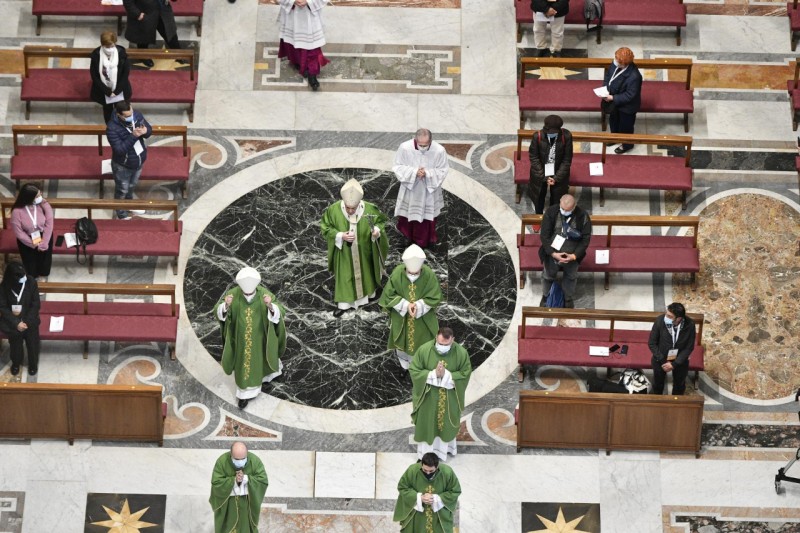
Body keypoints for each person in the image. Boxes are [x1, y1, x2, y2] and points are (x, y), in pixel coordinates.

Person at [215, 267, 287, 409]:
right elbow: (217, 310)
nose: (247, 295)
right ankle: (244, 394)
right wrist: (225, 306)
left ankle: (268, 376)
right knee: (246, 365)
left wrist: (270, 306)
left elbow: (281, 311)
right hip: (241, 338)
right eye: (245, 292)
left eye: (250, 292)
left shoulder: (264, 294)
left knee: (264, 356)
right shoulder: (233, 294)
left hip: (262, 336)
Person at [320, 178, 389, 317]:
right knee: (345, 276)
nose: (350, 211)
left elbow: (381, 222)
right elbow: (325, 228)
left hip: (364, 251)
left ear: (359, 203)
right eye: (348, 208)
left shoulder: (369, 208)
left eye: (353, 208)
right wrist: (340, 235)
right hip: (344, 253)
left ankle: (367, 296)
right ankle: (344, 304)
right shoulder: (333, 210)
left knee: (366, 273)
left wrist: (376, 231)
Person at [409, 328, 472, 461]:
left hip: (449, 398)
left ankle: (444, 451)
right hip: (428, 398)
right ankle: (425, 454)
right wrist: (433, 374)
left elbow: (465, 373)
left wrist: (446, 375)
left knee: (446, 425)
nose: (442, 347)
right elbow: (414, 370)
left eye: (446, 344)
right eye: (440, 343)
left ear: (452, 340)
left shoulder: (461, 353)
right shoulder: (424, 350)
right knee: (428, 425)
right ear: (436, 338)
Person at [379, 245, 442, 370]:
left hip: (422, 318)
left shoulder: (429, 274)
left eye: (416, 272)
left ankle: (418, 366)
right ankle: (404, 366)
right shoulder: (397, 272)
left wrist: (418, 306)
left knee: (421, 343)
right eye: (410, 271)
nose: (413, 274)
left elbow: (435, 295)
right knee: (402, 344)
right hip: (401, 317)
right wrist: (406, 305)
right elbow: (388, 295)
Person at [392, 129, 449, 249]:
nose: (422, 148)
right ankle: (406, 236)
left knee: (426, 219)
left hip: (429, 190)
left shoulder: (439, 150)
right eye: (420, 145)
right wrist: (414, 172)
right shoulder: (405, 148)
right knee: (408, 216)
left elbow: (443, 170)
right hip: (411, 189)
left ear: (431, 141)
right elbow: (398, 166)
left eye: (425, 145)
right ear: (415, 140)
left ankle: (423, 241)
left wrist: (427, 173)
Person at [538, 194, 591, 308]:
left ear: (574, 206)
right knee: (548, 275)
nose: (564, 212)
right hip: (553, 252)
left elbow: (585, 239)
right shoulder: (551, 212)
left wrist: (574, 256)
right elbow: (544, 236)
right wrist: (553, 253)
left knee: (571, 277)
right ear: (560, 202)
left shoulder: (583, 216)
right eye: (562, 209)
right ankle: (546, 295)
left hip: (572, 254)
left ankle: (568, 298)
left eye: (568, 210)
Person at [106, 100, 152, 220]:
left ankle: (129, 205)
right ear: (119, 115)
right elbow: (119, 150)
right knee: (122, 190)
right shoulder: (112, 128)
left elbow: (148, 129)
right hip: (123, 166)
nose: (131, 116)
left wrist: (146, 131)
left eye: (131, 112)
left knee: (131, 186)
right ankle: (121, 213)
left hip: (138, 161)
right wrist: (133, 136)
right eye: (127, 116)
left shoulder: (136, 115)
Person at [209, 441, 269, 533]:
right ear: (231, 454)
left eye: (243, 458)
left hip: (247, 505)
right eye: (236, 459)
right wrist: (234, 480)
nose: (240, 462)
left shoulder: (255, 461)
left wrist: (246, 479)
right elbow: (216, 483)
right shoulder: (222, 461)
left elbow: (262, 481)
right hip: (229, 506)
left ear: (247, 453)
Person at [393, 453, 461, 533]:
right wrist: (419, 497)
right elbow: (403, 487)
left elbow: (455, 490)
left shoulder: (447, 472)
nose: (428, 473)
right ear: (421, 464)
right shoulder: (412, 470)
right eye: (425, 470)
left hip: (438, 513)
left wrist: (437, 498)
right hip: (417, 513)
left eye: (431, 471)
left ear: (437, 466)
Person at [278, 0, 330, 91]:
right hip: (291, 13)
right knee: (293, 41)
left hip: (309, 14)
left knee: (312, 47)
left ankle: (312, 73)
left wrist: (308, 1)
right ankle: (298, 62)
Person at [0, 262, 41, 376]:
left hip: (29, 321)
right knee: (15, 346)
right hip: (13, 323)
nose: (24, 278)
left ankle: (33, 364)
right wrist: (16, 323)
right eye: (20, 276)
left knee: (32, 344)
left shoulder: (31, 282)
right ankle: (16, 363)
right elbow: (3, 307)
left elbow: (35, 304)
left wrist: (26, 322)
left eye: (24, 274)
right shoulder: (4, 287)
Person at [649, 302, 696, 396]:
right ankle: (657, 401)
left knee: (679, 385)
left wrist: (674, 364)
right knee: (657, 384)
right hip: (660, 358)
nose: (666, 317)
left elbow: (689, 347)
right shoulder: (660, 321)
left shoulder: (690, 324)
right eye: (666, 314)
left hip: (680, 360)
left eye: (669, 316)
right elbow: (652, 343)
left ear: (679, 318)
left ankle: (676, 402)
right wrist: (663, 361)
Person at [602, 46, 643, 154]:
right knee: (613, 121)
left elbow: (630, 95)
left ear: (624, 64)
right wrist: (605, 89)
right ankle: (615, 137)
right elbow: (608, 76)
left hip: (627, 107)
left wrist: (613, 98)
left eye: (617, 60)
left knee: (626, 127)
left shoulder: (634, 76)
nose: (614, 61)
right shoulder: (616, 63)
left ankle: (627, 144)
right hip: (614, 103)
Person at [528, 114, 573, 214]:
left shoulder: (566, 136)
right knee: (539, 196)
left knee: (557, 197)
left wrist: (556, 178)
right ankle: (538, 215)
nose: (552, 135)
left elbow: (567, 160)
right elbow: (534, 158)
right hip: (540, 171)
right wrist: (543, 177)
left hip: (558, 171)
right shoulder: (537, 136)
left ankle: (552, 215)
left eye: (555, 133)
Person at [10, 184, 54, 281]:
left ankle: (43, 275)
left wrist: (45, 242)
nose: (40, 197)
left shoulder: (43, 204)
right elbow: (19, 233)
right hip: (27, 239)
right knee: (30, 262)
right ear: (29, 198)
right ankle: (33, 278)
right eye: (37, 196)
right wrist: (34, 244)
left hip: (44, 235)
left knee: (45, 259)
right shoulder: (16, 212)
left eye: (40, 194)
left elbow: (49, 223)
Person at [123, 0, 183, 68]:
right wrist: (137, 14)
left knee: (170, 34)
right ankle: (143, 56)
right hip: (145, 13)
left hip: (163, 11)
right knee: (143, 37)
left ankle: (180, 54)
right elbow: (127, 1)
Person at [89, 31, 132, 124]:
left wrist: (116, 91)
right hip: (103, 90)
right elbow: (94, 76)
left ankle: (122, 125)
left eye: (112, 46)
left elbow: (125, 74)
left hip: (119, 89)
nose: (109, 49)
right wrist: (108, 92)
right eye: (107, 47)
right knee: (107, 110)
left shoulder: (121, 53)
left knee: (121, 109)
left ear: (115, 43)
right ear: (102, 44)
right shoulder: (96, 55)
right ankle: (110, 126)